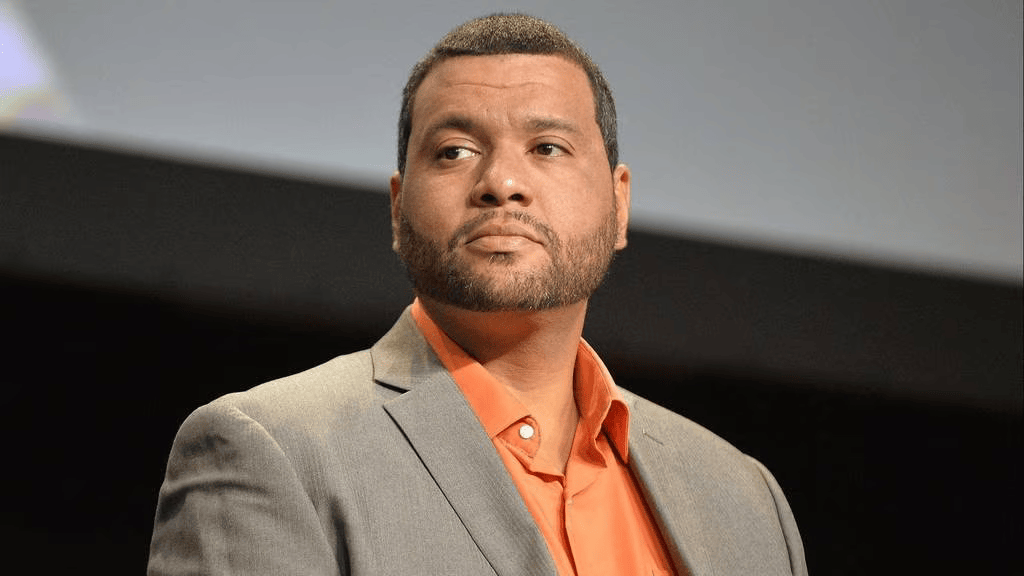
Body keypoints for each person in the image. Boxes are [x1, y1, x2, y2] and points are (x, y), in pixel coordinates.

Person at [147, 13, 806, 576]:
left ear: (619, 203)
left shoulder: (742, 499)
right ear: (399, 209)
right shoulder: (275, 450)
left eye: (547, 147)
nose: (502, 183)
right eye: (456, 152)